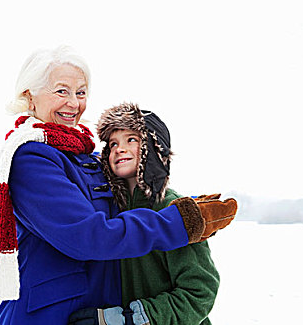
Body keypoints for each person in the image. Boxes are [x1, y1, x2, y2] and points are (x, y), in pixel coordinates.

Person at [0, 45, 236, 325]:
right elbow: (87, 236)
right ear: (29, 96)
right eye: (61, 91)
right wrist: (180, 222)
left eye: (81, 92)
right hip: (50, 315)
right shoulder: (30, 158)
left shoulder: (87, 157)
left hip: (97, 310)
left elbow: (141, 189)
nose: (73, 103)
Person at [69, 103, 234, 325]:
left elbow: (200, 291)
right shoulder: (109, 212)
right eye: (113, 143)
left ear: (154, 148)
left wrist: (129, 318)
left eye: (132, 140)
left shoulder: (173, 209)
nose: (119, 148)